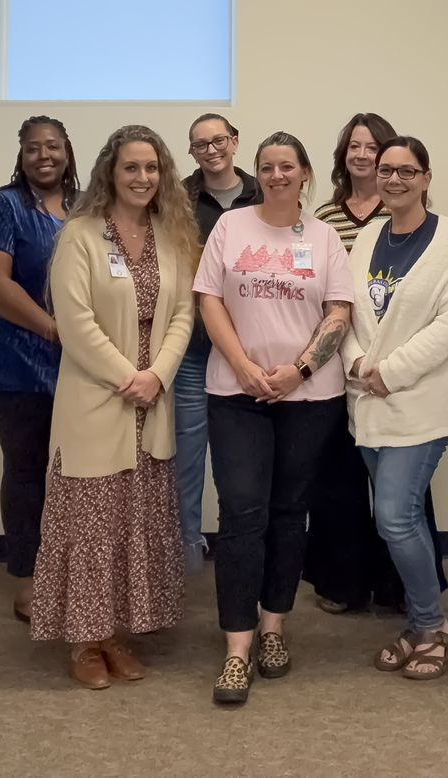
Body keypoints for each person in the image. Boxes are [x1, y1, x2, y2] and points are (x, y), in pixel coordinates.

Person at [29, 125, 199, 690]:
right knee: (91, 522)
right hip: (98, 399)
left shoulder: (172, 233)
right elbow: (75, 323)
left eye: (152, 168)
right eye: (132, 168)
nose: (143, 178)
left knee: (133, 520)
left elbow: (182, 316)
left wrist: (158, 376)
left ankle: (113, 633)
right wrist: (129, 377)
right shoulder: (81, 235)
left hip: (152, 402)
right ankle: (83, 642)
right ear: (110, 171)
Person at [194, 132, 353, 705]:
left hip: (309, 397)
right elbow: (209, 298)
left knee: (289, 513)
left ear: (305, 173)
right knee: (241, 512)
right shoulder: (230, 227)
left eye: (288, 166)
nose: (277, 174)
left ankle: (273, 628)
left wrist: (300, 370)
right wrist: (242, 365)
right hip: (236, 393)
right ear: (255, 172)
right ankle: (236, 650)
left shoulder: (326, 236)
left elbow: (339, 311)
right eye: (267, 166)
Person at [342, 136, 448, 681]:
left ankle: (432, 624)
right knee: (403, 516)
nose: (393, 179)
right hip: (368, 404)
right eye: (385, 170)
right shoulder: (370, 234)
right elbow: (347, 310)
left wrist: (391, 372)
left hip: (419, 402)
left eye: (406, 171)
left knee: (394, 516)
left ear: (426, 178)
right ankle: (421, 622)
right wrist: (356, 366)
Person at [306, 112, 448, 615]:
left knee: (401, 500)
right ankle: (344, 583)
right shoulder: (325, 216)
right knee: (341, 485)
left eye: (374, 147)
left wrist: (389, 368)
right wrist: (353, 360)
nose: (364, 156)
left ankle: (401, 588)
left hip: (402, 377)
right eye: (354, 146)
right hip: (341, 368)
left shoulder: (421, 223)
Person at [0, 116, 79, 622]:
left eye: (52, 147)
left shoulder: (83, 209)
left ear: (67, 151)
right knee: (27, 473)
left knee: (76, 476)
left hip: (80, 368)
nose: (44, 156)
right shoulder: (5, 204)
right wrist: (53, 328)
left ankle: (72, 575)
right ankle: (28, 582)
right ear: (22, 154)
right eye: (33, 148)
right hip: (18, 365)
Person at [177, 113, 262, 569]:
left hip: (249, 352)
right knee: (187, 457)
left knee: (243, 463)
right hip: (193, 348)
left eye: (218, 141)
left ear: (234, 142)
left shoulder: (262, 194)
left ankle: (242, 549)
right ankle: (187, 549)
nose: (211, 150)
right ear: (191, 151)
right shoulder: (177, 198)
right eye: (200, 144)